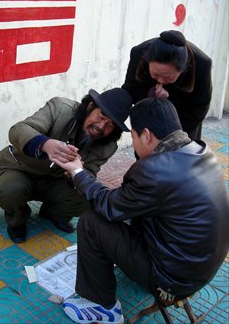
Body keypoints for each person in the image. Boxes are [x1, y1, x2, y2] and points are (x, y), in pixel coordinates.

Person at [51, 98, 229, 324]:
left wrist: (77, 172)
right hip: (201, 270)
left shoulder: (154, 170)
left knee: (91, 222)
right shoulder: (200, 151)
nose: (134, 144)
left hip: (171, 280)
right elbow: (130, 200)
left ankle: (102, 307)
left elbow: (109, 207)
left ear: (146, 135)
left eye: (133, 137)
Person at [0, 87, 133, 243]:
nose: (101, 127)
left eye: (110, 125)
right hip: (20, 169)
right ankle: (17, 221)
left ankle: (53, 214)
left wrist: (76, 171)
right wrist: (45, 144)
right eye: (101, 116)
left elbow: (90, 174)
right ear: (90, 106)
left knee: (88, 198)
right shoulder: (60, 108)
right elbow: (18, 130)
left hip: (56, 181)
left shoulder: (108, 146)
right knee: (10, 189)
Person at [122, 30, 212, 140]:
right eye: (155, 74)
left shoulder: (201, 64)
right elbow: (129, 89)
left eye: (169, 77)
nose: (161, 81)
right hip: (148, 120)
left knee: (179, 154)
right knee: (146, 154)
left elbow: (200, 106)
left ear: (183, 70)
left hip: (183, 124)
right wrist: (151, 95)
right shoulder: (138, 53)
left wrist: (175, 135)